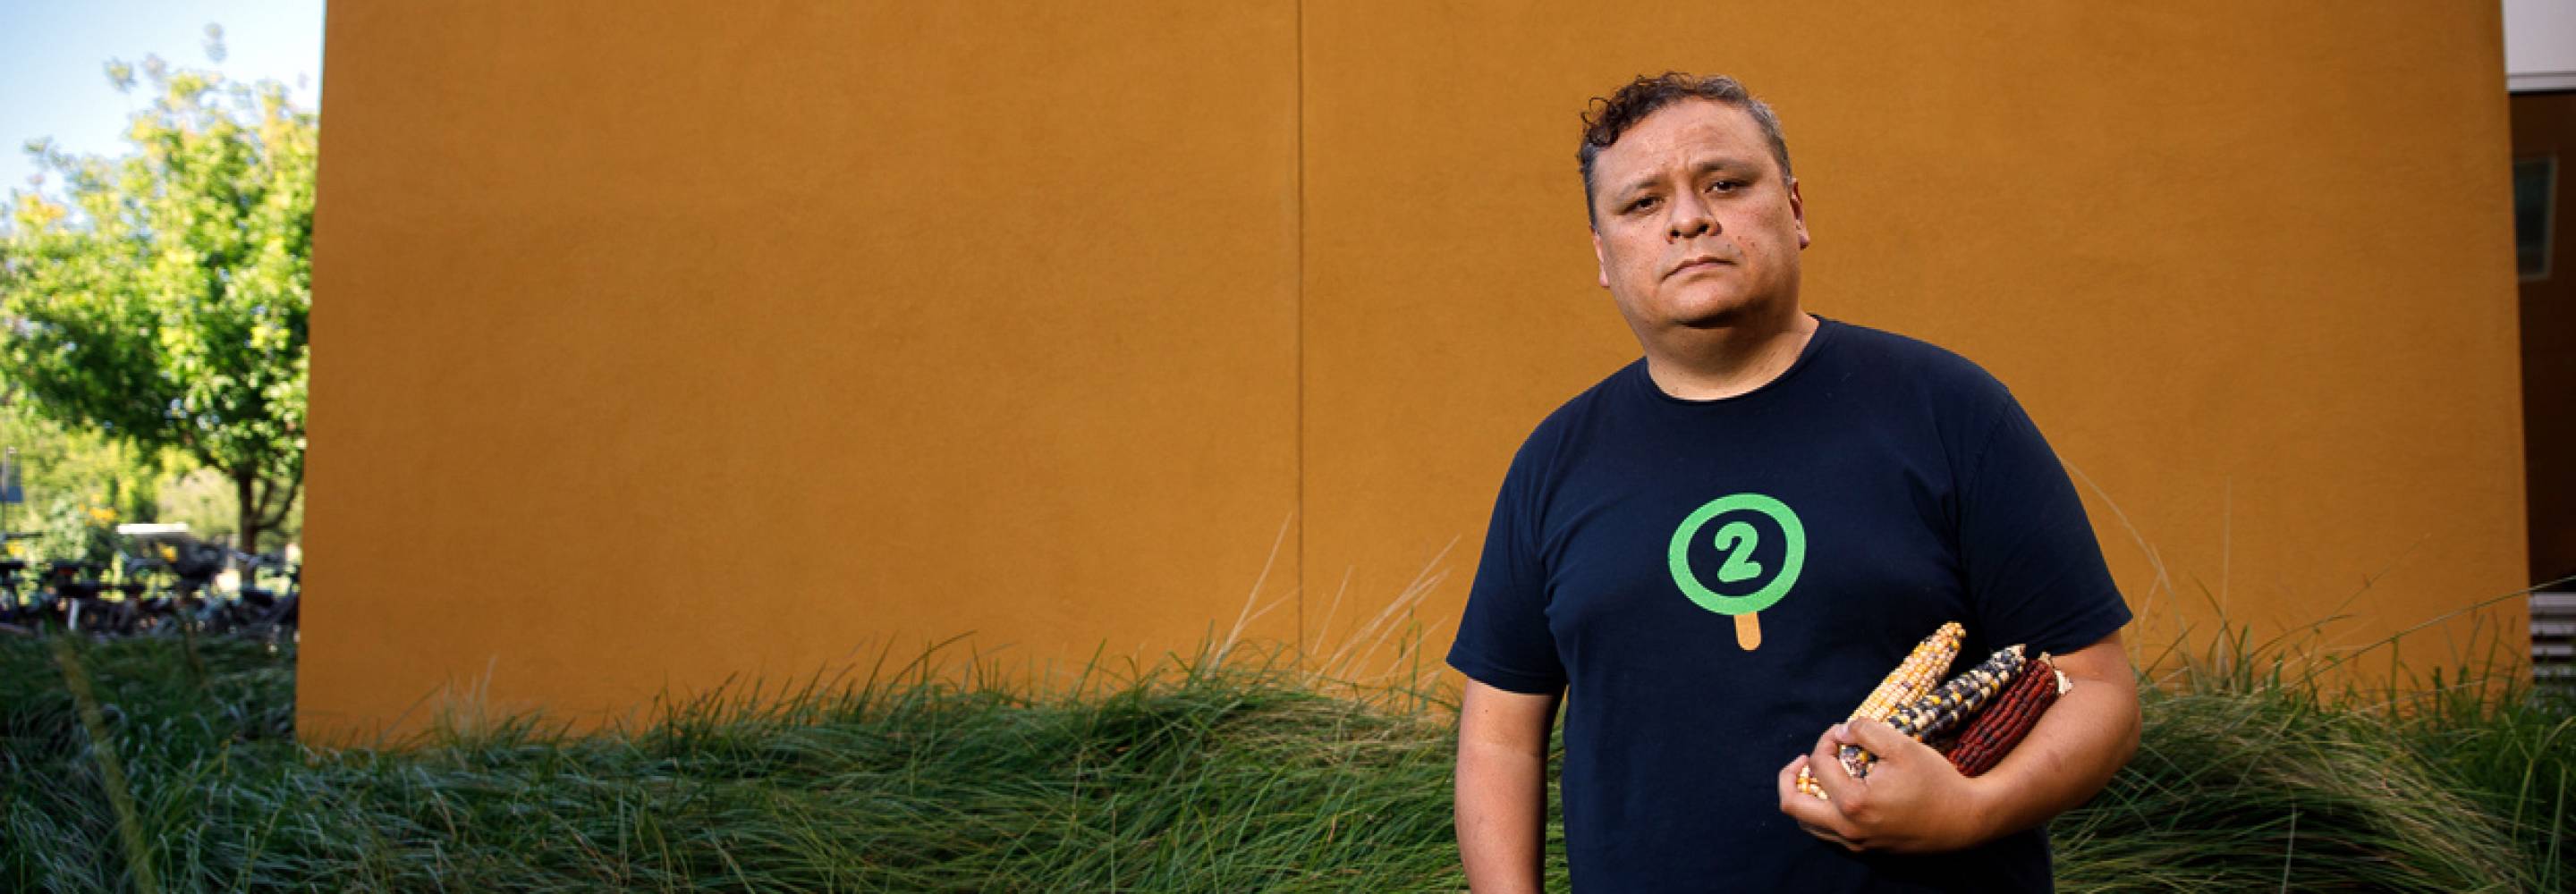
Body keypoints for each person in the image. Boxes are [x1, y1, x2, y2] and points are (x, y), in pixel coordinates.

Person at [1445, 72, 2141, 892]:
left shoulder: (1949, 411)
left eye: (1725, 184)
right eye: (1642, 203)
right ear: (1604, 255)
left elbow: (2097, 691)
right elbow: (1500, 740)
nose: (1689, 218)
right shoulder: (1554, 463)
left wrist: (1971, 809)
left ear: (1796, 209)